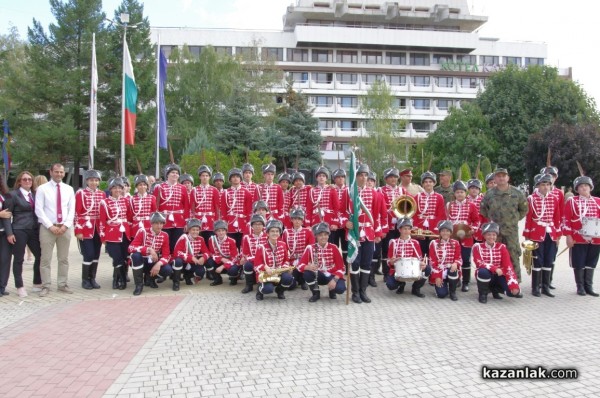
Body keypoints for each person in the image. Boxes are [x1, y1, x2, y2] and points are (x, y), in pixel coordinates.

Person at [480, 167, 528, 281]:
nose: (501, 178)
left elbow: (524, 209)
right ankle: (495, 284)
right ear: (495, 179)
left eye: (503, 176)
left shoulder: (517, 193)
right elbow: (483, 210)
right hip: (494, 233)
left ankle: (515, 283)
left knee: (513, 255)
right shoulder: (489, 194)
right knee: (494, 256)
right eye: (498, 176)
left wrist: (513, 219)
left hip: (511, 231)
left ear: (508, 178)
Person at [35, 163, 76, 297]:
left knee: (63, 258)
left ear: (64, 173)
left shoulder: (69, 189)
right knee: (45, 259)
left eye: (61, 172)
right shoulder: (42, 189)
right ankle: (46, 285)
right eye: (56, 172)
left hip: (64, 228)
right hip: (48, 228)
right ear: (51, 172)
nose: (59, 174)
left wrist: (65, 225)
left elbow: (72, 210)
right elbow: (39, 210)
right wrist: (50, 226)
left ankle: (62, 284)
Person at [346, 163, 382, 304]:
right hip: (355, 233)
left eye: (365, 175)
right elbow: (342, 211)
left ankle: (363, 291)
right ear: (356, 176)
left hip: (369, 233)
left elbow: (377, 215)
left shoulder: (375, 194)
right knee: (355, 263)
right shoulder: (349, 192)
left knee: (366, 263)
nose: (363, 177)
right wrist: (345, 223)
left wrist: (378, 233)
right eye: (360, 175)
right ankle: (355, 292)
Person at [523, 174, 562, 297]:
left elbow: (557, 218)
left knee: (549, 260)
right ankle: (535, 287)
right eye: (543, 184)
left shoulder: (554, 198)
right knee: (537, 261)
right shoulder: (531, 199)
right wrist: (527, 235)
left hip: (550, 234)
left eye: (548, 184)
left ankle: (546, 287)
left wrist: (558, 235)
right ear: (538, 186)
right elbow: (528, 219)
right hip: (536, 233)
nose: (545, 187)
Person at [563, 175, 600, 296]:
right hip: (577, 238)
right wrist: (568, 236)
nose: (584, 188)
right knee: (579, 262)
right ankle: (580, 287)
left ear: (590, 188)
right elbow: (566, 220)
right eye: (581, 186)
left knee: (591, 262)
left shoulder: (598, 201)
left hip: (595, 239)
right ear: (577, 189)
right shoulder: (572, 201)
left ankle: (588, 286)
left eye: (586, 186)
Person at [6, 173, 41, 297]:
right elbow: (7, 215)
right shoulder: (13, 195)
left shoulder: (36, 194)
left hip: (33, 230)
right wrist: (9, 233)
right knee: (19, 259)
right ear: (19, 181)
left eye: (29, 179)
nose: (27, 181)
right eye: (24, 179)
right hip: (19, 230)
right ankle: (19, 286)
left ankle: (37, 282)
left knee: (40, 255)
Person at [473, 222, 522, 303]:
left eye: (494, 235)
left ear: (496, 236)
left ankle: (495, 290)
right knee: (483, 272)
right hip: (486, 273)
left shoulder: (502, 247)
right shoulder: (477, 247)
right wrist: (494, 268)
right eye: (488, 234)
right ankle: (483, 294)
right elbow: (479, 262)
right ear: (484, 235)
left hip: (499, 274)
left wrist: (514, 284)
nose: (491, 237)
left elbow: (508, 266)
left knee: (512, 293)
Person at [298, 222, 346, 302]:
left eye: (325, 234)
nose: (323, 237)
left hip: (332, 275)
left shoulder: (334, 247)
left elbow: (342, 268)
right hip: (318, 275)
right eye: (320, 235)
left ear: (328, 235)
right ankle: (315, 293)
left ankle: (332, 290)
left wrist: (335, 279)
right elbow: (300, 265)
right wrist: (308, 267)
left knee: (340, 289)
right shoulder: (310, 248)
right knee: (307, 273)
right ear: (316, 236)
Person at [446, 180, 480, 292]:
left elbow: (476, 221)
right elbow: (447, 220)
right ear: (454, 194)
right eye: (457, 192)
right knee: (453, 258)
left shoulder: (472, 205)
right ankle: (456, 279)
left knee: (465, 259)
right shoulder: (449, 205)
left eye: (461, 192)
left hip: (467, 236)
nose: (459, 194)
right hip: (453, 236)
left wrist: (473, 230)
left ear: (465, 193)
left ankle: (466, 282)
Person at [73, 169, 105, 290]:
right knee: (88, 254)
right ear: (87, 181)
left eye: (96, 180)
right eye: (91, 180)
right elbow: (77, 212)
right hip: (85, 228)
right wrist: (78, 230)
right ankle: (85, 280)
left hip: (98, 228)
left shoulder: (102, 194)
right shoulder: (81, 193)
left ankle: (92, 278)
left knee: (96, 254)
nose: (94, 182)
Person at [99, 177, 132, 290]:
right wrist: (103, 237)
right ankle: (121, 280)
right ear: (111, 189)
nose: (117, 190)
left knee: (124, 257)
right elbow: (102, 221)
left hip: (125, 233)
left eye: (120, 188)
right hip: (112, 234)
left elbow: (129, 217)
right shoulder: (105, 202)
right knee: (117, 258)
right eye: (115, 188)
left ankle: (117, 279)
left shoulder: (126, 201)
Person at [128, 212, 172, 295]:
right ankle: (139, 285)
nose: (159, 226)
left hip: (153, 261)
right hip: (141, 260)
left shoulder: (165, 235)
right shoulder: (143, 231)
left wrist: (159, 264)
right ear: (151, 224)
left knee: (168, 270)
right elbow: (130, 248)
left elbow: (166, 255)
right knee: (135, 256)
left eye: (161, 223)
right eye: (156, 223)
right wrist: (149, 249)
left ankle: (151, 278)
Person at [385, 218, 429, 297]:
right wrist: (391, 262)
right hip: (398, 270)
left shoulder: (415, 242)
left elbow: (419, 258)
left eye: (409, 229)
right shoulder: (393, 242)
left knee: (427, 269)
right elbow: (388, 261)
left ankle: (416, 288)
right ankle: (401, 284)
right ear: (399, 230)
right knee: (390, 285)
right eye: (404, 229)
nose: (407, 231)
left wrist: (422, 263)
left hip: (412, 269)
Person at [153, 163, 190, 252]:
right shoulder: (159, 187)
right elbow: (155, 206)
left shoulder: (182, 188)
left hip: (179, 221)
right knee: (165, 246)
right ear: (167, 174)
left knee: (177, 245)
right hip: (164, 221)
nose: (175, 175)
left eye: (177, 173)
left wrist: (186, 222)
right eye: (172, 172)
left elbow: (186, 206)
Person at [379, 167, 407, 282]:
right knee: (386, 249)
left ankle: (400, 271)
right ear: (386, 179)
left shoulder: (403, 191)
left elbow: (408, 205)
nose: (393, 179)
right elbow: (381, 208)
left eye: (395, 177)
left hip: (399, 225)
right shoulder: (381, 190)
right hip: (387, 224)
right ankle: (386, 273)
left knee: (400, 248)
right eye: (390, 177)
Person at [254, 219, 293, 300]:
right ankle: (259, 291)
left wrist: (283, 268)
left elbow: (286, 260)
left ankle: (280, 291)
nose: (275, 233)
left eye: (277, 231)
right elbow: (256, 265)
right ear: (267, 233)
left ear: (279, 233)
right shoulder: (261, 247)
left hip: (278, 272)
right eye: (272, 231)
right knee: (268, 289)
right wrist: (265, 267)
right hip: (266, 274)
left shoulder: (283, 245)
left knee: (289, 279)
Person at [540, 165, 564, 290]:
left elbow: (559, 214)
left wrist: (559, 233)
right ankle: (539, 281)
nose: (551, 177)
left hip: (553, 229)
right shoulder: (538, 191)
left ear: (556, 177)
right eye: (548, 175)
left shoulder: (559, 193)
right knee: (539, 256)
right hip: (540, 230)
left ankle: (548, 280)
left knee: (551, 256)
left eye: (553, 176)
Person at [413, 171, 446, 256]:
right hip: (420, 226)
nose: (428, 184)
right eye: (426, 182)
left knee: (433, 251)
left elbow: (441, 215)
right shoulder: (417, 196)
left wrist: (436, 229)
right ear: (423, 184)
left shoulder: (439, 197)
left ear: (434, 183)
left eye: (430, 182)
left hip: (433, 226)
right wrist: (416, 228)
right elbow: (414, 214)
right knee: (421, 250)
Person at [429, 220, 462, 301]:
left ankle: (452, 292)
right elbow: (432, 262)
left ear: (451, 233)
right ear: (439, 232)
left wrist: (455, 263)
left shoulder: (456, 243)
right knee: (441, 294)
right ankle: (444, 286)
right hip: (440, 271)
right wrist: (437, 276)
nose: (445, 233)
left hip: (451, 270)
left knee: (453, 270)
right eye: (443, 231)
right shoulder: (433, 243)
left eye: (447, 231)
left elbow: (459, 258)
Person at [282, 208, 315, 290]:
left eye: (299, 219)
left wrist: (307, 262)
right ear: (291, 220)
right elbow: (283, 249)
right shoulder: (286, 232)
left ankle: (303, 280)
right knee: (290, 286)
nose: (297, 221)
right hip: (291, 261)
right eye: (295, 219)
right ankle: (296, 280)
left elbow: (312, 249)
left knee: (305, 270)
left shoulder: (308, 232)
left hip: (304, 260)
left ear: (302, 221)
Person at [221, 168, 253, 249]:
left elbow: (249, 210)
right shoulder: (225, 193)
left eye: (237, 177)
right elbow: (223, 210)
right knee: (232, 246)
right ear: (230, 179)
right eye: (233, 177)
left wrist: (248, 223)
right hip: (230, 223)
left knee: (243, 245)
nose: (235, 178)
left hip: (243, 223)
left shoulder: (247, 193)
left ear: (240, 178)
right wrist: (225, 223)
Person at [173, 218, 210, 286]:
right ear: (189, 230)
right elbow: (177, 252)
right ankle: (176, 282)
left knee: (201, 271)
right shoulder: (183, 238)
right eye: (193, 230)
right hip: (183, 262)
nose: (195, 232)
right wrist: (191, 257)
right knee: (177, 261)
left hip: (192, 262)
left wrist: (203, 257)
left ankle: (188, 276)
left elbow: (207, 252)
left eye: (197, 230)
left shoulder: (201, 239)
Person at [190, 165, 221, 244]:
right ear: (200, 177)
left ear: (209, 177)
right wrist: (192, 220)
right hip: (198, 219)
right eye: (203, 175)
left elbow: (217, 207)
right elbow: (192, 207)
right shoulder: (194, 190)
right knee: (198, 241)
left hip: (211, 220)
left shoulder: (214, 190)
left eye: (207, 176)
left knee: (211, 241)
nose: (205, 177)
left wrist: (217, 221)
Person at [239, 214, 267, 294]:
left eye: (260, 224)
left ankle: (261, 284)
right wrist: (249, 259)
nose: (257, 226)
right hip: (252, 260)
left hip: (265, 261)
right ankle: (249, 285)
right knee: (247, 265)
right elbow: (245, 254)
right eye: (255, 224)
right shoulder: (247, 237)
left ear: (263, 226)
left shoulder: (267, 237)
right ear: (252, 226)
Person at [206, 220, 240, 286]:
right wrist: (221, 259)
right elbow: (212, 253)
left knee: (233, 270)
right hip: (219, 260)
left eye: (223, 230)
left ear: (226, 231)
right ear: (215, 232)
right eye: (218, 231)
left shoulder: (231, 241)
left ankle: (234, 278)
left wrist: (223, 266)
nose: (221, 233)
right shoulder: (212, 240)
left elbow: (235, 258)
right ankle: (217, 279)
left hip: (230, 261)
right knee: (208, 261)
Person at [330, 168, 348, 261]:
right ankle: (336, 264)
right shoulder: (330, 189)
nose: (340, 179)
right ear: (334, 179)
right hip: (334, 222)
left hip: (346, 222)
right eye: (338, 177)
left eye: (342, 177)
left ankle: (346, 265)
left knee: (346, 246)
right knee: (334, 244)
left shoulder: (349, 190)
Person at [0, 174, 12, 297]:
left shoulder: (4, 196)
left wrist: (9, 233)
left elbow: (7, 216)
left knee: (5, 260)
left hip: (3, 232)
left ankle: (2, 287)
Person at [466, 178, 486, 243]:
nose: (474, 190)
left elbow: (485, 216)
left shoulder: (483, 201)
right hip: (466, 229)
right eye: (472, 188)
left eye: (476, 188)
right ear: (468, 189)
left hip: (480, 229)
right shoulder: (464, 200)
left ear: (479, 190)